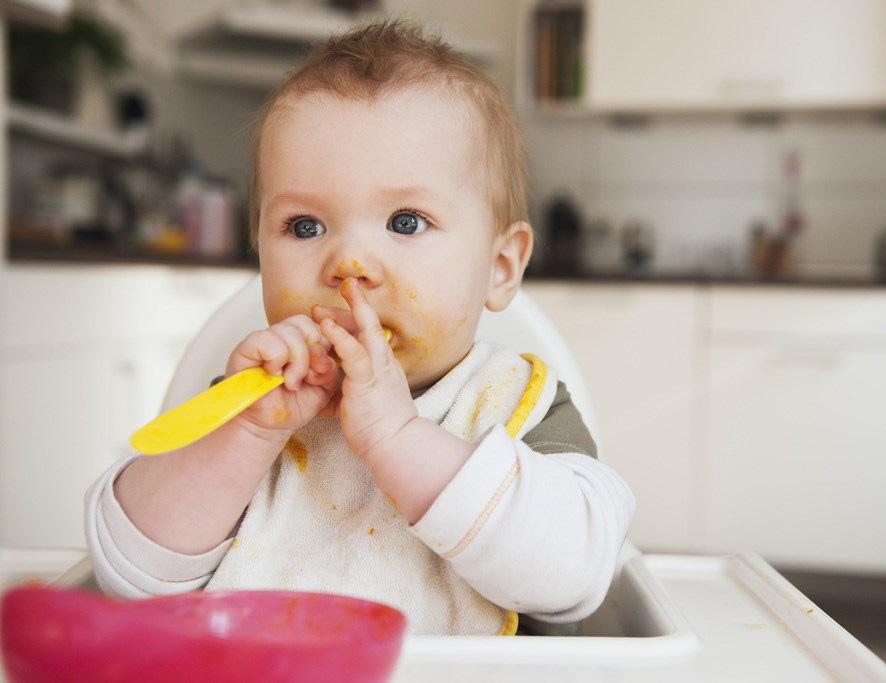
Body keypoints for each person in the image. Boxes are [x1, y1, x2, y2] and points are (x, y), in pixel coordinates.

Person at [85, 20, 635, 636]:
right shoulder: (249, 409)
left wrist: (397, 437)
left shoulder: (517, 405)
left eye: (405, 222)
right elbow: (128, 576)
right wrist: (242, 437)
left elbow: (579, 573)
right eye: (304, 227)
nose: (347, 263)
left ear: (500, 267)